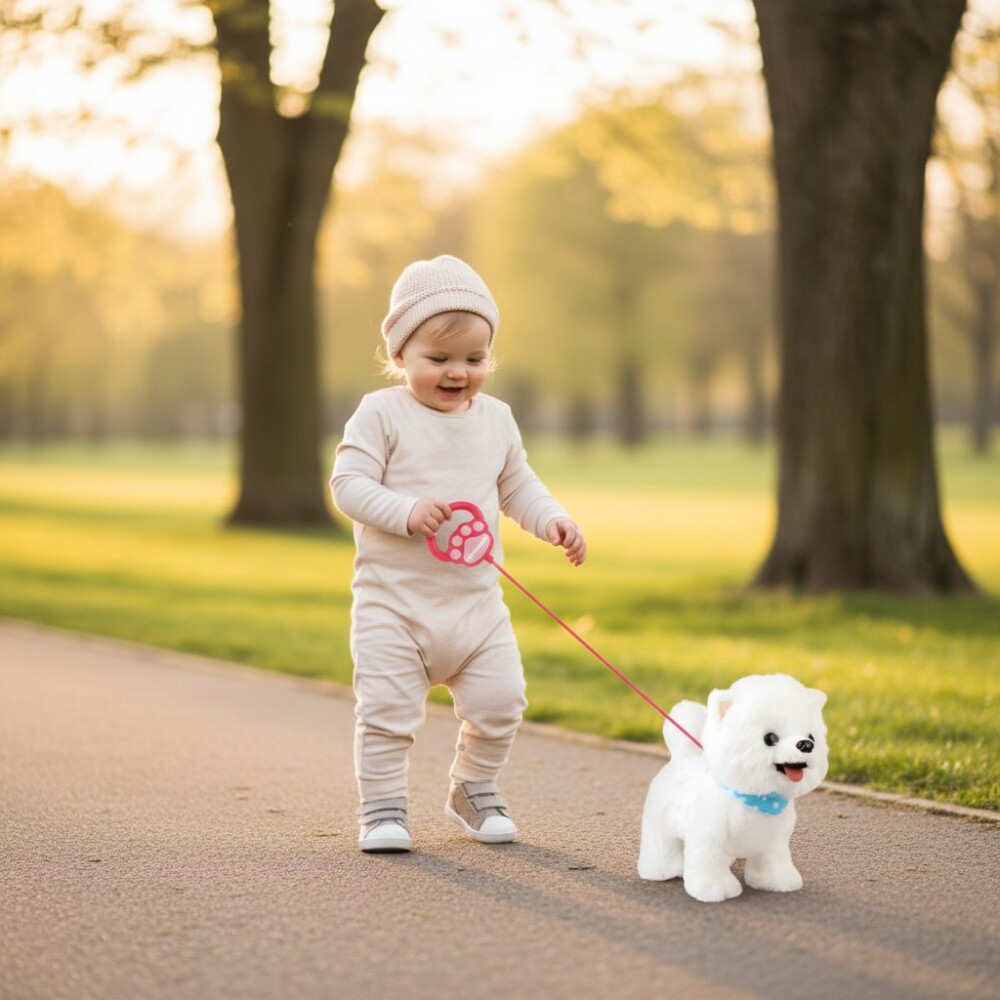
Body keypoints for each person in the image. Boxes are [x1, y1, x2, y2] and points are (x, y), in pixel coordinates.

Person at [331, 254, 586, 853]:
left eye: (475, 359)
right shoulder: (382, 414)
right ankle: (384, 809)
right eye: (438, 359)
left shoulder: (495, 419)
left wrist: (552, 520)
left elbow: (517, 485)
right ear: (399, 356)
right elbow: (347, 485)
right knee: (388, 713)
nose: (458, 373)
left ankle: (472, 789)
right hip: (393, 606)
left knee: (502, 701)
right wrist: (406, 511)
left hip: (474, 607)